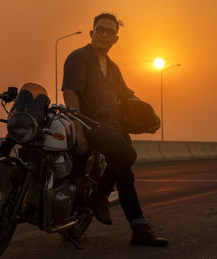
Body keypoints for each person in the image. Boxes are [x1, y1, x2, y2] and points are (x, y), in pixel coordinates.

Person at [62, 13, 168, 247]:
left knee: (125, 174)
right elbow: (70, 92)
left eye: (110, 31)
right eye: (100, 29)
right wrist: (78, 130)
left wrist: (149, 115)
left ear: (116, 39)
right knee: (127, 155)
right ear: (92, 33)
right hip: (90, 124)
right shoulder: (79, 58)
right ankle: (99, 195)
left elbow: (126, 95)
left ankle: (139, 228)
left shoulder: (112, 67)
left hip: (113, 127)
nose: (104, 34)